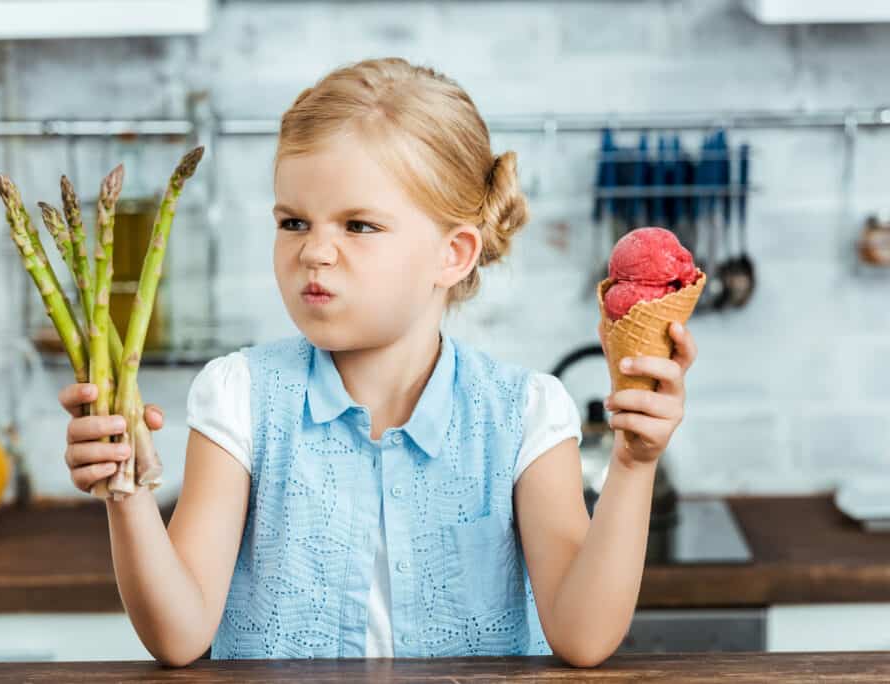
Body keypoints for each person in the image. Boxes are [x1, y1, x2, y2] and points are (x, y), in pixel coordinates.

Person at [58, 57, 697, 668]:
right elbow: (179, 635)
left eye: (358, 226)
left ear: (454, 254)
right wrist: (127, 492)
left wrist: (634, 465)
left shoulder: (524, 415)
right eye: (293, 222)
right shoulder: (240, 399)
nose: (315, 252)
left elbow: (583, 638)